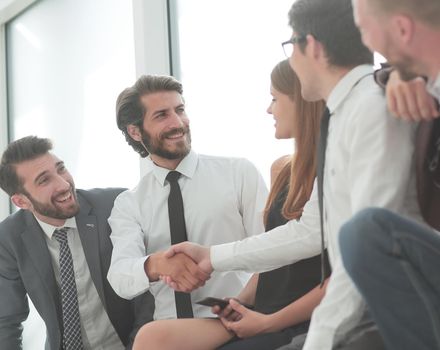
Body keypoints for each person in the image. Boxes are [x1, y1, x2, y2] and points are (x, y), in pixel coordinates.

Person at [164, 0, 422, 349]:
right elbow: (310, 231)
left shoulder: (370, 110)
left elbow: (363, 255)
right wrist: (213, 257)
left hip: (390, 312)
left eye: (291, 48)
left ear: (311, 46)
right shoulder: (345, 114)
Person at [131, 60, 329, 350]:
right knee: (151, 337)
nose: (268, 109)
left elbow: (336, 274)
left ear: (303, 102)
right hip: (260, 307)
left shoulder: (331, 170)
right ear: (136, 131)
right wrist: (238, 302)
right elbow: (268, 257)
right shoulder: (282, 169)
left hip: (293, 314)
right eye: (161, 115)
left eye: (274, 98)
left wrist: (266, 321)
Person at [107, 75, 268, 324]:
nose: (178, 123)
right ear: (135, 131)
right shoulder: (129, 204)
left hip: (239, 321)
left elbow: (270, 252)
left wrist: (240, 304)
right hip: (172, 335)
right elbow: (119, 277)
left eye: (180, 110)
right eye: (161, 115)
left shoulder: (239, 173)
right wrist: (157, 264)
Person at [338, 1, 440, 349]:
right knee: (357, 341)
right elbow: (385, 71)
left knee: (366, 232)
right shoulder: (424, 90)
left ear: (402, 29)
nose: (366, 44)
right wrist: (399, 73)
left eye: (364, 30)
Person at [0, 136, 135, 350]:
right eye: (44, 180)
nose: (64, 184)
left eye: (61, 169)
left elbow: (150, 292)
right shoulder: (9, 238)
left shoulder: (114, 205)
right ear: (21, 201)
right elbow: (5, 321)